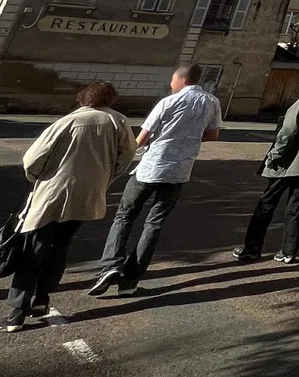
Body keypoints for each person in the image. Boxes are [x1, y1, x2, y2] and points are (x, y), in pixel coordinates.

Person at [0, 82, 135, 332]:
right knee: (60, 247)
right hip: (88, 195)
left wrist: (37, 177)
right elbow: (126, 157)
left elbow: (32, 159)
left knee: (33, 249)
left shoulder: (69, 121)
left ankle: (17, 312)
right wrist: (104, 178)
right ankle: (43, 299)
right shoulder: (119, 122)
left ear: (82, 98)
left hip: (54, 192)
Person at [88, 64, 222, 297]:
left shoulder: (167, 102)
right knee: (154, 223)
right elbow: (213, 134)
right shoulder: (211, 102)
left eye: (172, 80)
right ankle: (130, 280)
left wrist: (117, 161)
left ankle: (110, 265)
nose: (171, 84)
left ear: (181, 79)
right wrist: (187, 137)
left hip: (151, 167)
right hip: (180, 170)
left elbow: (141, 138)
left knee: (125, 215)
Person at [232, 71, 299, 264]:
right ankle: (289, 251)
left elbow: (287, 132)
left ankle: (252, 248)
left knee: (266, 204)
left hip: (287, 163)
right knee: (296, 208)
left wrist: (273, 156)